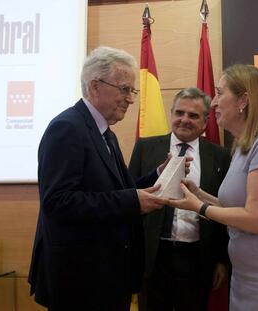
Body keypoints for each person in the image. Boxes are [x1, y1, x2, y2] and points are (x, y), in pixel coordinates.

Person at [28, 46, 172, 311]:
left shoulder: (106, 132)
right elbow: (58, 202)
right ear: (95, 86)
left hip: (106, 276)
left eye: (133, 91)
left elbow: (118, 189)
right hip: (79, 282)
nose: (131, 99)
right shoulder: (67, 128)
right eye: (125, 89)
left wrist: (158, 175)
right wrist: (132, 200)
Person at [169, 64, 258, 311]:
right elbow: (234, 208)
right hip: (247, 272)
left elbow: (254, 218)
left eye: (220, 93)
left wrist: (199, 207)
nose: (213, 103)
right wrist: (197, 193)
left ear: (243, 100)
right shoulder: (242, 146)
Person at [129, 87, 231, 311]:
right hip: (153, 259)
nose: (184, 120)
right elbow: (129, 197)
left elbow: (223, 209)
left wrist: (221, 260)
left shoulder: (221, 155)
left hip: (197, 258)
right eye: (179, 113)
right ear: (171, 114)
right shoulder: (145, 147)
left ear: (205, 122)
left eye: (193, 115)